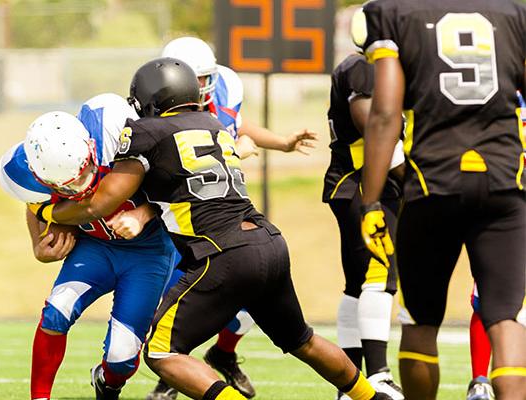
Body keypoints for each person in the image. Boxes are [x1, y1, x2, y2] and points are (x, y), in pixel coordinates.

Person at [46, 57, 389, 400]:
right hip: (267, 240)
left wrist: (51, 213)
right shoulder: (213, 124)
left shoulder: (146, 132)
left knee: (161, 353)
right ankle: (371, 397)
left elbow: (100, 202)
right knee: (304, 341)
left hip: (221, 252)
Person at [359, 0, 526, 399]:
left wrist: (370, 203)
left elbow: (385, 113)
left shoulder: (395, 13)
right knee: (506, 320)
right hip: (503, 180)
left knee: (420, 321)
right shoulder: (514, 14)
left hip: (432, 181)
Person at [147, 36, 320, 400]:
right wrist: (236, 155)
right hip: (182, 214)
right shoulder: (158, 104)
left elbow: (236, 125)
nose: (202, 88)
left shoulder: (225, 89)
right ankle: (173, 371)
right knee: (180, 298)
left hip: (223, 210)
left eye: (205, 79)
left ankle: (222, 355)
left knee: (250, 292)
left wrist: (281, 142)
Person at [0, 94, 177, 400]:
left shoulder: (118, 135)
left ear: (91, 148)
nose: (79, 186)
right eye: (67, 184)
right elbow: (35, 206)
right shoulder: (34, 171)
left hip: (147, 254)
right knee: (56, 312)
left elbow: (175, 189)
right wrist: (38, 245)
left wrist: (142, 213)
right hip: (94, 247)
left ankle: (107, 383)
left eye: (83, 171)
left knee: (121, 358)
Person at [324, 9, 405, 400]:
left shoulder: (364, 67)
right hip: (360, 182)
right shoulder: (364, 68)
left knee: (357, 283)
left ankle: (350, 381)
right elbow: (373, 125)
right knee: (378, 275)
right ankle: (378, 375)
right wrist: (412, 175)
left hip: (353, 183)